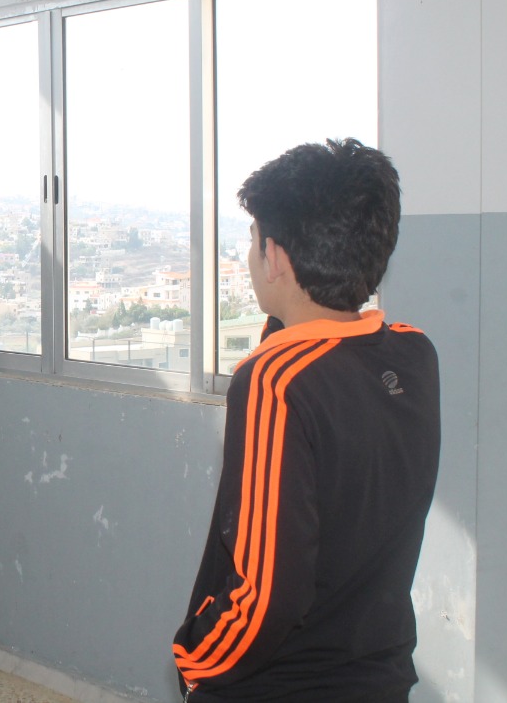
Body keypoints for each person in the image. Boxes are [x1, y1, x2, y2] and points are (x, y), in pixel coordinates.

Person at [172, 139, 440, 702]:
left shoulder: (275, 382)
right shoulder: (413, 353)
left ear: (274, 257)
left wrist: (197, 659)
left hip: (282, 685)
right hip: (379, 674)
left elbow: (267, 594)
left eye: (253, 240)